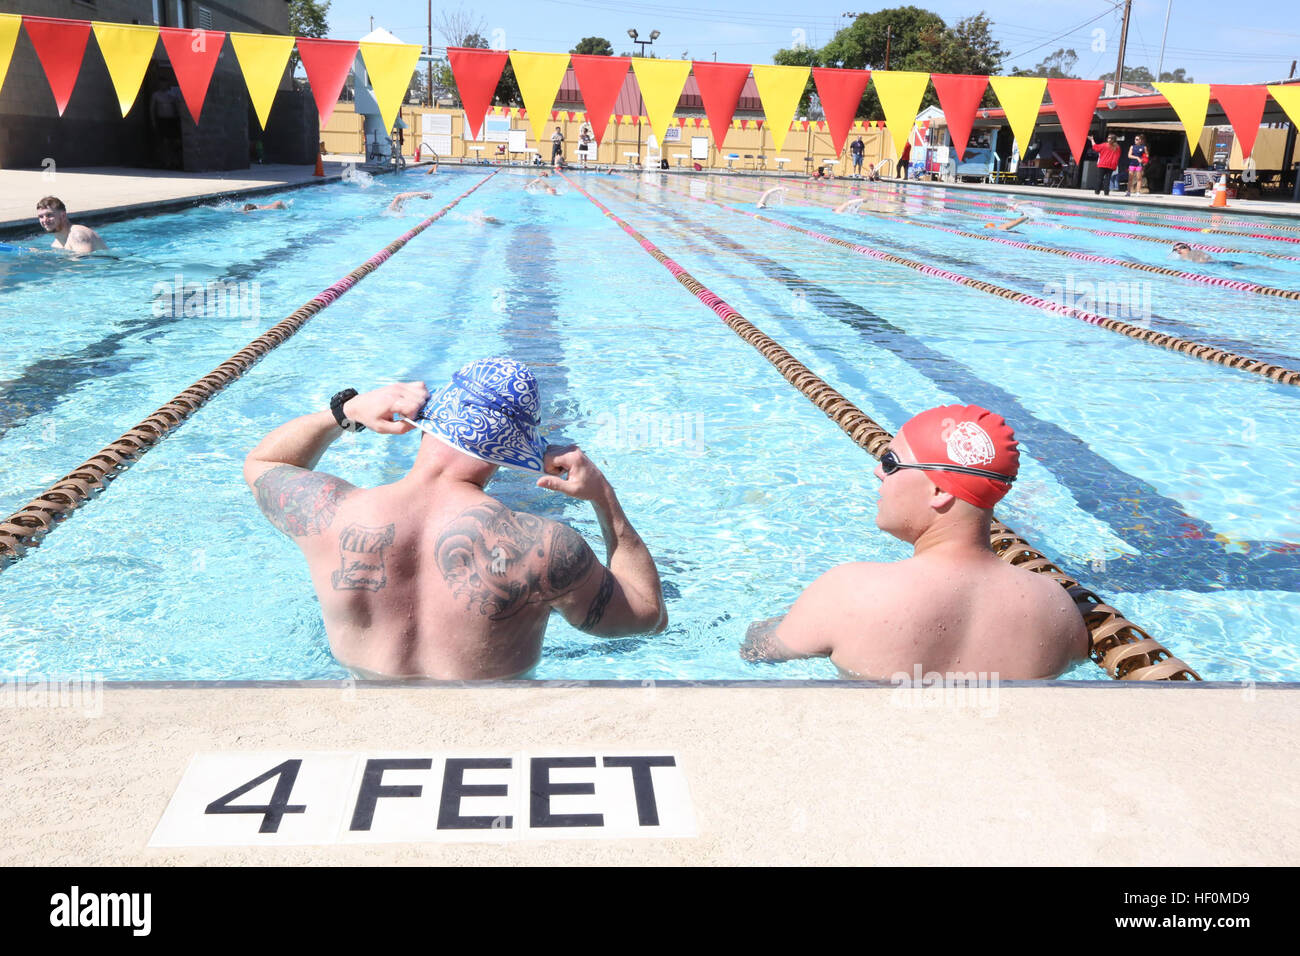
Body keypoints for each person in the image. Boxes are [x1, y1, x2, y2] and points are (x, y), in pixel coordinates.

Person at [243, 358, 668, 680]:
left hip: (359, 718)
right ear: (515, 452)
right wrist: (604, 498)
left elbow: (264, 462)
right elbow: (647, 617)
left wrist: (346, 412)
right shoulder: (543, 548)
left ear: (428, 419)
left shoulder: (332, 513)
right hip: (487, 735)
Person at [740, 405, 1088, 679]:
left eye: (891, 462)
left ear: (938, 490)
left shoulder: (849, 591)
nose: (878, 471)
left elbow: (757, 653)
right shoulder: (1057, 609)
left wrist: (776, 621)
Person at [35, 196, 108, 253]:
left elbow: (85, 267)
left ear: (63, 215)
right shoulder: (56, 243)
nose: (45, 220)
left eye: (49, 215)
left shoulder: (78, 235)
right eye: (41, 217)